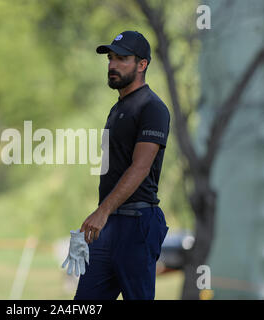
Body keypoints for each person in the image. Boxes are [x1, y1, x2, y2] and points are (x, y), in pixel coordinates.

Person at [65, 31, 170, 300]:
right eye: (111, 58)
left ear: (142, 64)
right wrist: (100, 218)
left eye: (122, 58)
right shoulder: (118, 108)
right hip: (110, 224)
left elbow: (140, 167)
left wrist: (102, 212)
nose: (113, 64)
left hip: (137, 223)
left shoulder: (152, 108)